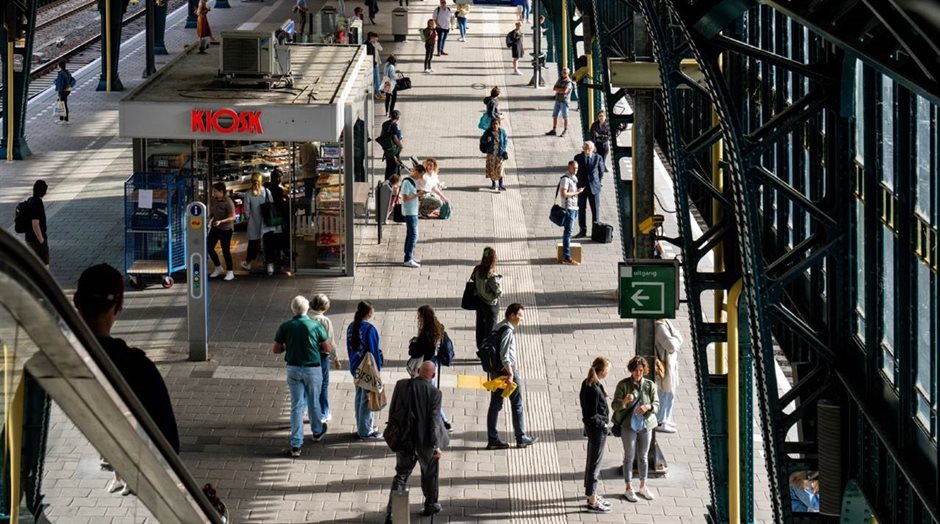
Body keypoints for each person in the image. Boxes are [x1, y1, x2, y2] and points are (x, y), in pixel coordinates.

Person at [74, 264, 180, 494]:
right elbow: (169, 448)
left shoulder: (48, 359)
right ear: (118, 307)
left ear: (76, 301)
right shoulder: (139, 369)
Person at [384, 361, 448, 522]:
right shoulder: (435, 393)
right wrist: (436, 447)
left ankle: (393, 514)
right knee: (430, 474)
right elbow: (434, 422)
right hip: (425, 442)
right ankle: (430, 504)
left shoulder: (401, 385)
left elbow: (393, 411)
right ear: (433, 375)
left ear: (419, 370)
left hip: (404, 440)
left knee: (401, 475)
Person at [273, 296, 330, 457]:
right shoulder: (316, 325)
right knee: (314, 401)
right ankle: (317, 431)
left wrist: (287, 346)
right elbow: (327, 348)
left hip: (293, 368)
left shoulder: (285, 326)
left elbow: (276, 349)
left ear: (293, 309)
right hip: (313, 369)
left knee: (296, 406)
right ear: (307, 309)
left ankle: (296, 443)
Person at [485, 303, 539, 450]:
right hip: (507, 372)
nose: (522, 319)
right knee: (517, 404)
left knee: (495, 405)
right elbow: (504, 355)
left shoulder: (498, 326)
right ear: (512, 315)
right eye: (520, 316)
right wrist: (510, 373)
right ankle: (521, 437)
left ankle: (492, 439)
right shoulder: (508, 330)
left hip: (496, 371)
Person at [612, 355, 659, 502]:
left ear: (644, 370)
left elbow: (657, 405)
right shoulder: (623, 385)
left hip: (646, 425)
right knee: (629, 457)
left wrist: (648, 406)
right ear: (631, 370)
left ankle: (643, 486)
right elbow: (614, 406)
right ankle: (628, 488)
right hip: (628, 425)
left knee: (643, 456)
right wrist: (624, 401)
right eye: (635, 370)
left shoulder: (650, 385)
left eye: (641, 370)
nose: (638, 373)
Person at [408, 305, 452, 429]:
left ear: (423, 317)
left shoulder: (426, 332)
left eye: (419, 316)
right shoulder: (440, 328)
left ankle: (443, 421)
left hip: (426, 366)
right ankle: (441, 421)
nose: (418, 319)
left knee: (428, 395)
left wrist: (413, 344)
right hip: (435, 364)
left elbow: (417, 351)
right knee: (429, 393)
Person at [347, 301, 384, 440]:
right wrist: (377, 371)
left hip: (356, 367)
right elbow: (374, 352)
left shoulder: (351, 326)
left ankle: (363, 425)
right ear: (369, 313)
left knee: (359, 397)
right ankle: (365, 430)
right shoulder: (370, 329)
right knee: (367, 399)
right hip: (368, 369)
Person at [580, 357, 613, 513]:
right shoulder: (593, 387)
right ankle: (592, 501)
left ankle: (591, 494)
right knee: (595, 464)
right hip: (597, 430)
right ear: (602, 370)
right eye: (607, 370)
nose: (608, 373)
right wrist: (604, 425)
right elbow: (591, 415)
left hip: (594, 429)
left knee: (591, 462)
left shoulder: (590, 383)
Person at [240, 173, 281, 276]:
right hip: (267, 222)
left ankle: (248, 263)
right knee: (269, 244)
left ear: (251, 181)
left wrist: (251, 218)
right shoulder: (266, 191)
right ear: (261, 180)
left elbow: (247, 212)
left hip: (254, 223)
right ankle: (270, 266)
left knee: (253, 244)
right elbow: (271, 204)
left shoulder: (248, 194)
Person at [309, 294, 337, 423]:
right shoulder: (325, 321)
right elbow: (330, 342)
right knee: (323, 384)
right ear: (324, 307)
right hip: (321, 356)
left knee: (309, 384)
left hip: (307, 355)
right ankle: (324, 412)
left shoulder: (305, 317)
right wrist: (335, 358)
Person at [654, 318, 682, 433]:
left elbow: (678, 336)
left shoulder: (665, 322)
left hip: (669, 363)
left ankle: (666, 418)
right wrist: (676, 339)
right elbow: (671, 345)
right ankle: (660, 421)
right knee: (664, 392)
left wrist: (676, 338)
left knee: (670, 392)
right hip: (665, 364)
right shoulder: (660, 326)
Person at [472, 247, 502, 349]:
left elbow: (473, 280)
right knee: (490, 329)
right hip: (491, 305)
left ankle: (480, 347)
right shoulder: (492, 276)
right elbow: (498, 292)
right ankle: (487, 350)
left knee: (480, 326)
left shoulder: (477, 269)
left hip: (480, 301)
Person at [573, 141, 605, 238]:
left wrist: (598, 182)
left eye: (589, 148)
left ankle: (595, 232)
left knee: (595, 210)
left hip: (594, 187)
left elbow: (601, 171)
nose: (587, 150)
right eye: (585, 148)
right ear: (583, 148)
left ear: (593, 149)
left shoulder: (598, 157)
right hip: (582, 187)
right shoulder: (578, 157)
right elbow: (575, 171)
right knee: (581, 209)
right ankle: (582, 231)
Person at [207, 182, 236, 281]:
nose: (213, 193)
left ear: (221, 192)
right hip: (215, 227)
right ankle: (218, 267)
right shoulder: (213, 199)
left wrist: (221, 221)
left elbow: (232, 217)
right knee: (209, 247)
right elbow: (212, 211)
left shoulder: (228, 202)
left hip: (226, 229)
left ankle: (230, 271)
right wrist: (209, 218)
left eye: (215, 191)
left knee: (225, 250)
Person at [558, 160, 584, 265]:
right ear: (569, 167)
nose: (576, 170)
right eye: (574, 168)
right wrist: (576, 192)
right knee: (568, 233)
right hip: (569, 209)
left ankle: (567, 256)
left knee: (569, 232)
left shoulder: (573, 178)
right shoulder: (566, 179)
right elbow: (563, 194)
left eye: (577, 168)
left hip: (574, 207)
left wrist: (577, 192)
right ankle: (567, 257)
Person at [400, 165, 425, 268]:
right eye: (421, 175)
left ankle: (409, 255)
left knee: (410, 234)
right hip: (409, 212)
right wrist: (417, 195)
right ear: (416, 172)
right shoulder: (407, 182)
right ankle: (407, 259)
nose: (421, 177)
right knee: (414, 235)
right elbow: (405, 198)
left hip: (412, 211)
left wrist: (418, 194)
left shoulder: (412, 181)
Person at [264, 169, 290, 266]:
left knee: (269, 238)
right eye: (280, 178)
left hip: (267, 216)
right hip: (276, 216)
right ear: (278, 178)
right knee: (279, 236)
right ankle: (278, 257)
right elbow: (280, 204)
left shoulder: (265, 187)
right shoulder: (278, 190)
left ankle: (269, 258)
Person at [22, 180, 50, 268]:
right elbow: (35, 224)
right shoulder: (37, 204)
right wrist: (41, 240)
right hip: (36, 241)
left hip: (29, 237)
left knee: (33, 264)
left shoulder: (30, 200)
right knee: (44, 266)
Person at [546, 67, 575, 137]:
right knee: (555, 115)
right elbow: (554, 88)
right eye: (563, 72)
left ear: (568, 73)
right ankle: (554, 130)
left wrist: (558, 89)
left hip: (564, 101)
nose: (564, 74)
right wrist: (560, 90)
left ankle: (565, 130)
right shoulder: (560, 79)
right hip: (558, 100)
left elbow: (565, 91)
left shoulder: (569, 82)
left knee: (565, 116)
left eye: (565, 73)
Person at [482, 118, 508, 191]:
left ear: (499, 124)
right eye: (493, 124)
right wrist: (487, 140)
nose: (495, 125)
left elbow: (505, 141)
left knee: (500, 169)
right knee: (492, 169)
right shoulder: (488, 132)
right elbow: (482, 140)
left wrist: (503, 149)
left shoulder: (502, 132)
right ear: (491, 124)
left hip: (500, 154)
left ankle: (501, 184)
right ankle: (493, 184)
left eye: (496, 124)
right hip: (491, 154)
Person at [380, 110, 403, 179]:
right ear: (398, 117)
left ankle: (387, 182)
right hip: (394, 149)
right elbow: (395, 138)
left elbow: (381, 136)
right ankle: (393, 182)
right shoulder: (394, 125)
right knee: (394, 168)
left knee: (388, 167)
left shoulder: (385, 124)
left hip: (387, 149)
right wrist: (400, 146)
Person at [366, 33, 384, 98]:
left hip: (376, 63)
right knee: (376, 79)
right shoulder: (368, 45)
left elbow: (381, 49)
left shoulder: (374, 44)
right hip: (373, 64)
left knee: (376, 79)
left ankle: (376, 92)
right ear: (371, 38)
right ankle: (377, 93)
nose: (376, 40)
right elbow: (370, 55)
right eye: (375, 38)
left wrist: (376, 44)